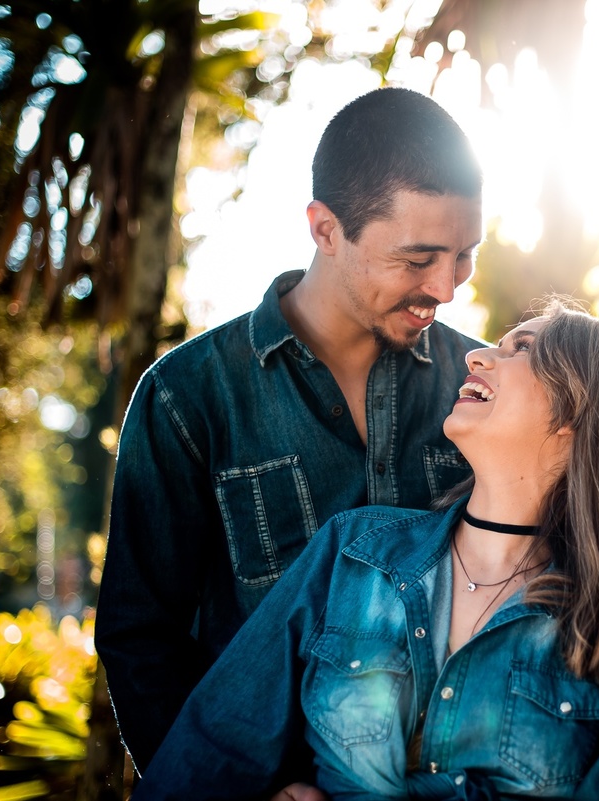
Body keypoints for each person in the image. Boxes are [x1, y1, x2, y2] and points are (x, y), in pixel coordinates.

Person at [134, 302, 599, 800]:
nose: (478, 359)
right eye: (496, 343)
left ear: (577, 413)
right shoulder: (352, 553)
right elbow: (210, 750)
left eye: (521, 349)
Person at [94, 86, 487, 777]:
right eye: (417, 259)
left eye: (465, 255)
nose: (448, 287)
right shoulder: (188, 397)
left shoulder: (483, 386)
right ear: (326, 229)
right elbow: (140, 642)